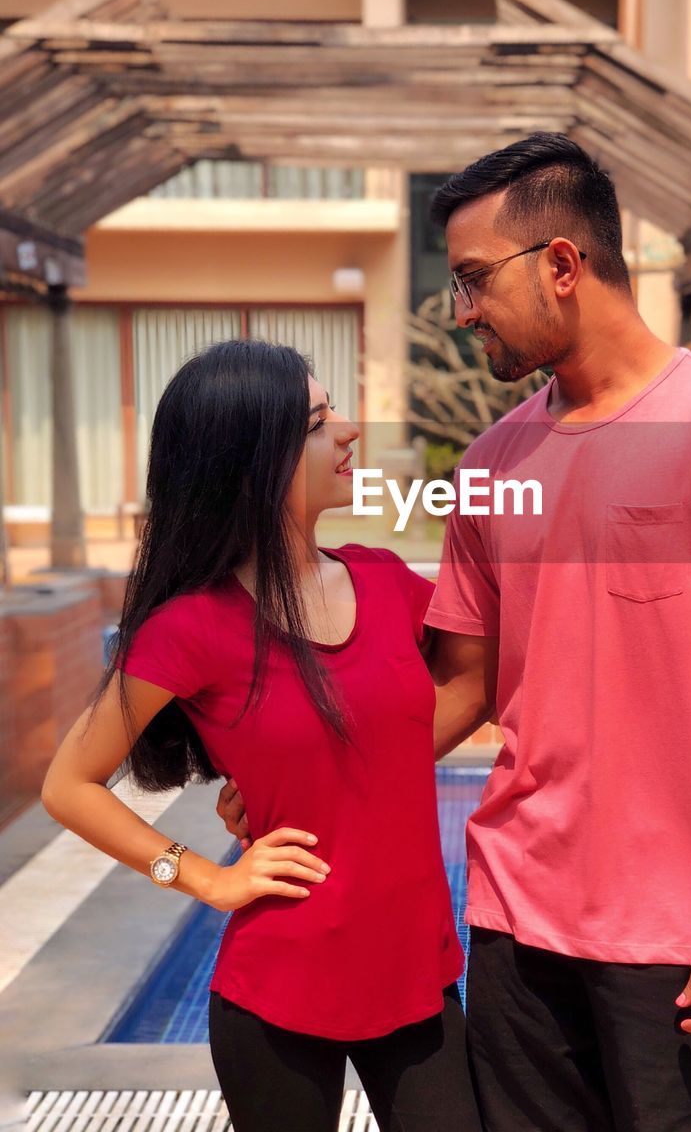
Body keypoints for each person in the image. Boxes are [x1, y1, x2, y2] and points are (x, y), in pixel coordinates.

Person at [221, 133, 691, 1131]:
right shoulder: (493, 458)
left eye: (472, 280)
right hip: (514, 920)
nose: (461, 311)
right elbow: (460, 684)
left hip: (678, 933)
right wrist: (305, 778)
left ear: (561, 263)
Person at [41, 340, 483, 1132]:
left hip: (418, 982)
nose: (349, 430)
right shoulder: (190, 629)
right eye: (317, 421)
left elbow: (484, 675)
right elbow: (67, 785)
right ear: (252, 463)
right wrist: (202, 878)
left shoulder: (386, 580)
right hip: (276, 994)